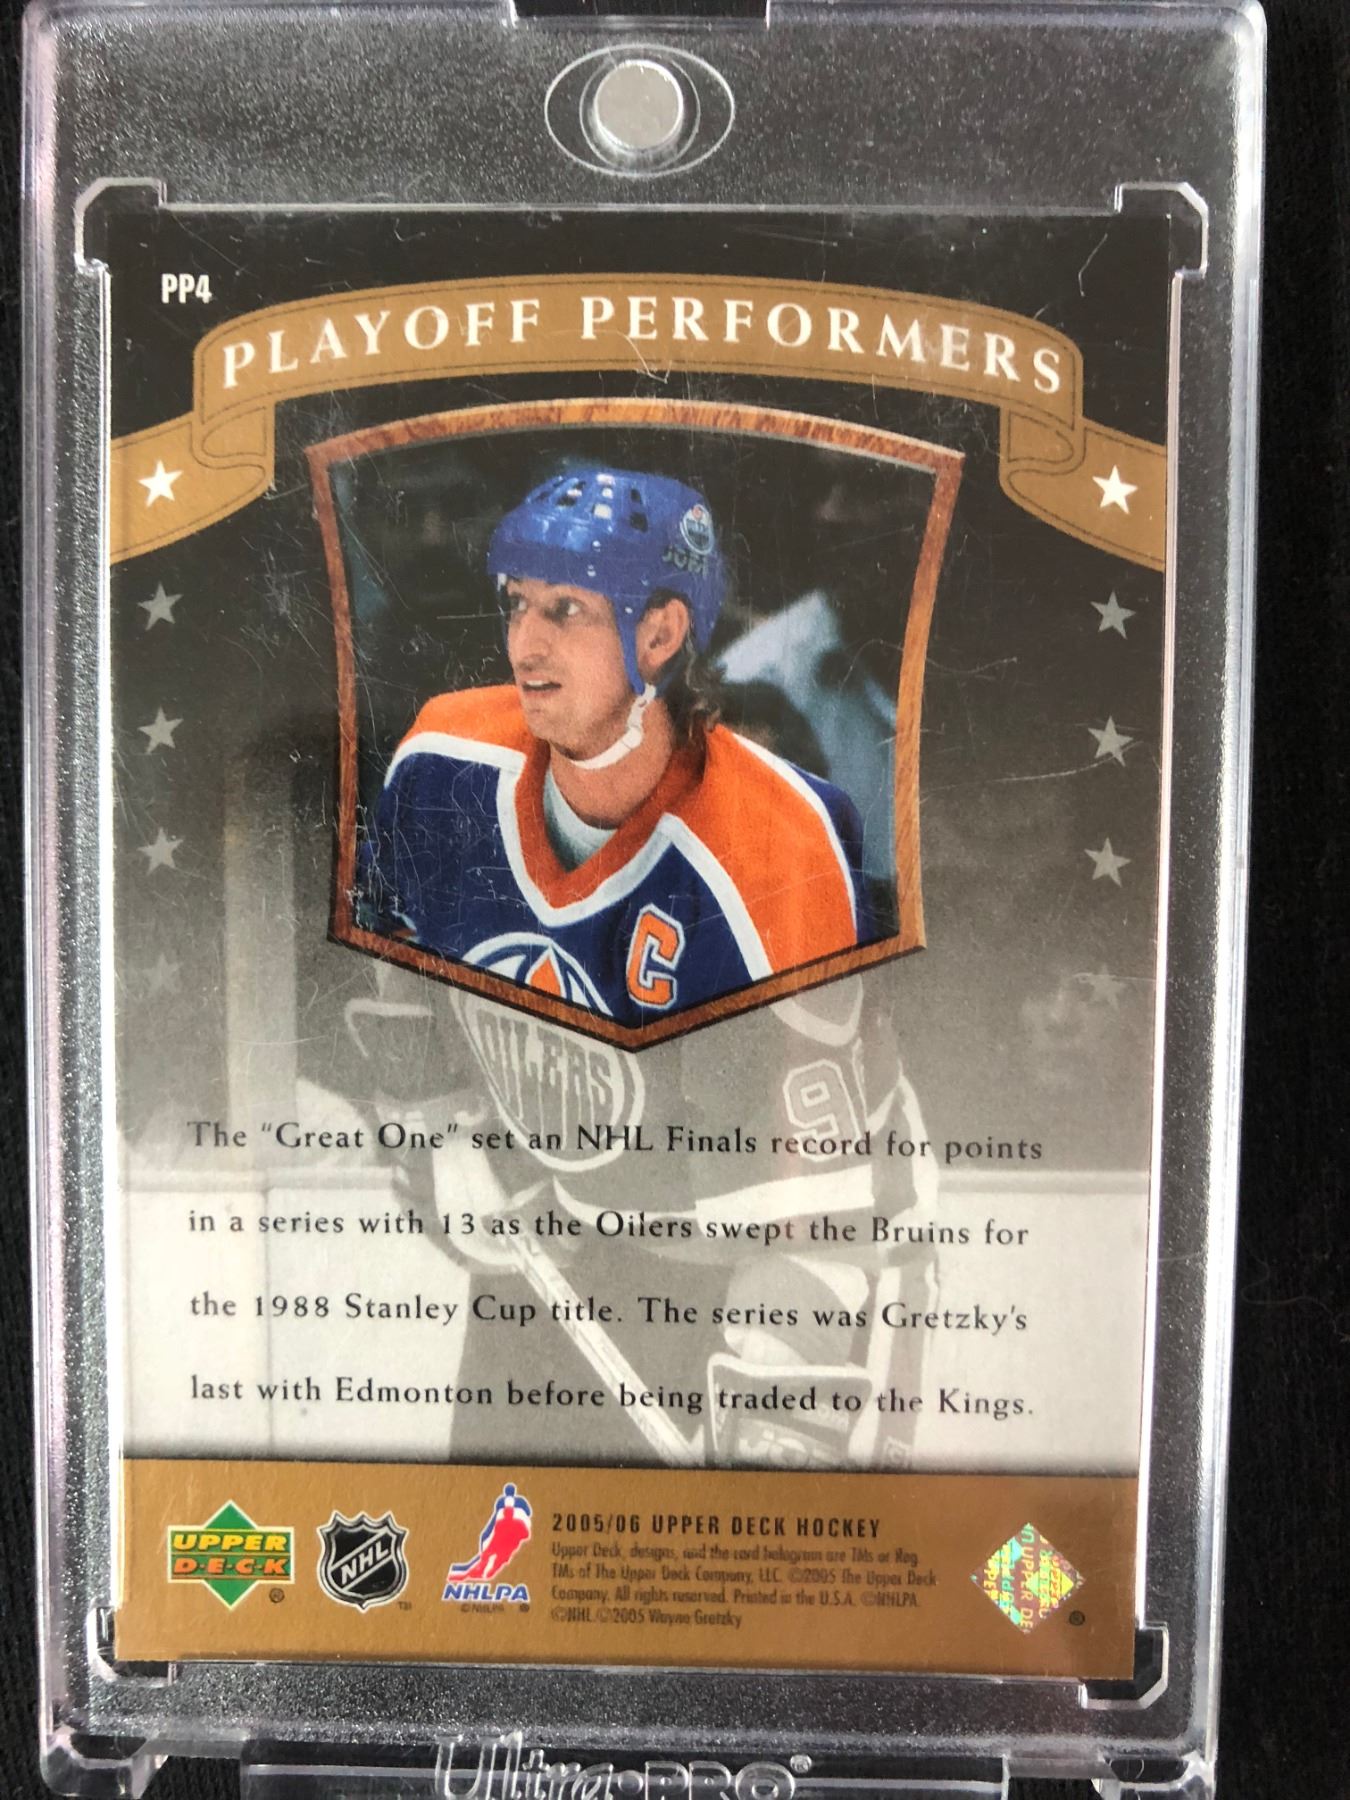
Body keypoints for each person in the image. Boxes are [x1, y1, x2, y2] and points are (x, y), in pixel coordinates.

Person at [361, 466, 871, 1027]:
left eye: (566, 609)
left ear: (659, 636)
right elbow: (397, 986)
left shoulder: (781, 850)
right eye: (518, 603)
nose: (524, 648)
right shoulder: (441, 759)